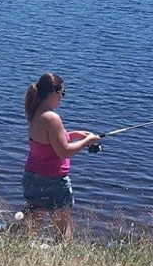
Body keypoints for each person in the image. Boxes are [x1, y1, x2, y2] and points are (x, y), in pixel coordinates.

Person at [22, 72, 100, 239]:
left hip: (32, 177)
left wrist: (73, 135)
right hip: (53, 180)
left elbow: (47, 142)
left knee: (31, 225)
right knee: (63, 230)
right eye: (62, 93)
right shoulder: (52, 118)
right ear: (53, 93)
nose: (62, 98)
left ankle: (20, 252)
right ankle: (65, 260)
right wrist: (88, 141)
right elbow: (64, 152)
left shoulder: (36, 113)